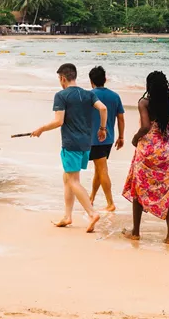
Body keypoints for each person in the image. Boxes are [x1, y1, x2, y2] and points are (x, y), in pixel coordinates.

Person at [31, 63, 107, 233]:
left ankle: (91, 213)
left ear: (63, 78)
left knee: (73, 181)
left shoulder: (61, 95)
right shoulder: (89, 94)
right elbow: (103, 108)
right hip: (86, 143)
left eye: (59, 79)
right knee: (68, 179)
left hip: (71, 143)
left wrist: (41, 129)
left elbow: (59, 121)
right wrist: (102, 129)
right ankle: (67, 216)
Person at [122, 71, 169, 245]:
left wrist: (134, 138)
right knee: (168, 191)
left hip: (148, 150)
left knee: (139, 187)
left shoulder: (144, 102)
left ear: (149, 86)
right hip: (167, 150)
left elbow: (146, 126)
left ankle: (136, 232)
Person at [87, 66, 126, 212]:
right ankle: (91, 198)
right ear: (105, 79)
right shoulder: (115, 96)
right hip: (109, 139)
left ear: (91, 81)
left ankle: (110, 203)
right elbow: (121, 118)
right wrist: (121, 136)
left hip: (94, 139)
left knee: (102, 169)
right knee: (99, 169)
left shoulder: (89, 96)